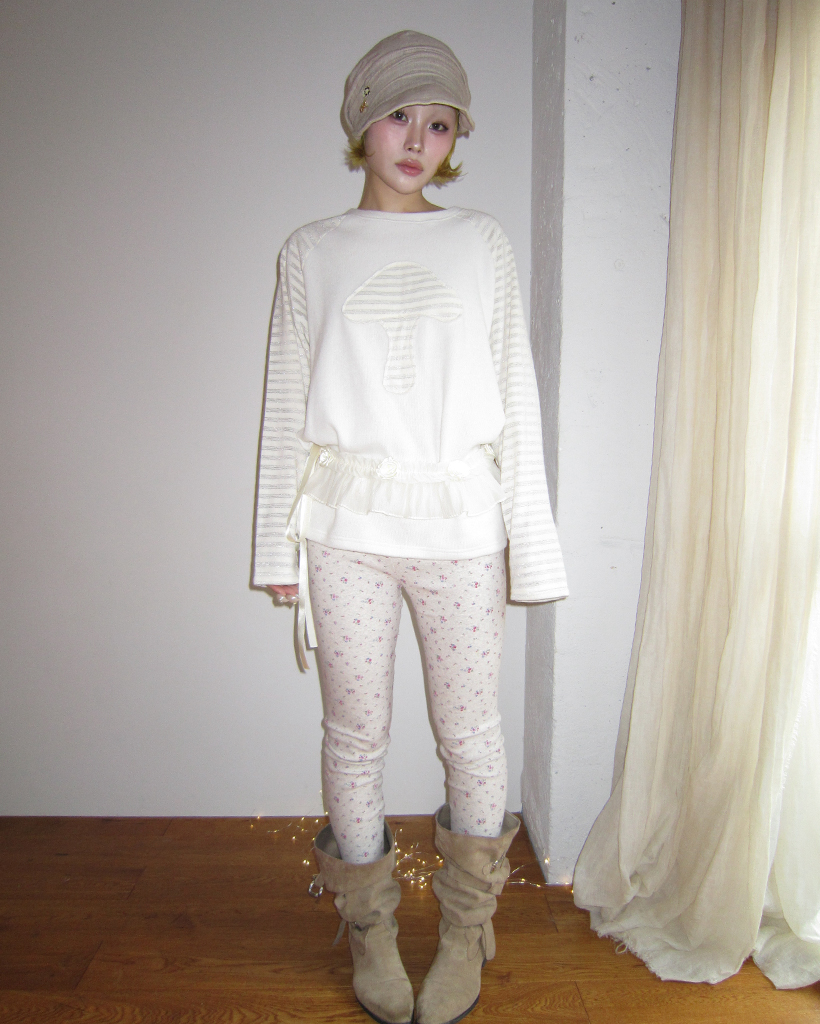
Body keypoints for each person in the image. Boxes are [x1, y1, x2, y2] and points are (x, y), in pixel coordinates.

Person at [253, 30, 568, 1024]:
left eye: (440, 123)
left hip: (462, 526)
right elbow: (284, 404)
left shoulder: (480, 242)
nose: (418, 140)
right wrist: (274, 546)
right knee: (354, 735)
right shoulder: (311, 252)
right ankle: (371, 930)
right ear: (363, 122)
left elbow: (515, 393)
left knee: (470, 734)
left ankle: (468, 929)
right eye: (400, 115)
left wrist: (532, 542)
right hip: (344, 526)